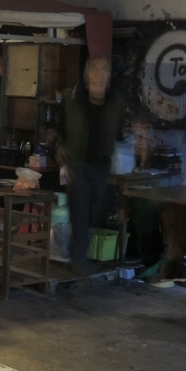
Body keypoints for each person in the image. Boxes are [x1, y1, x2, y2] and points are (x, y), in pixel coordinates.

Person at [57, 56, 125, 273]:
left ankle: (80, 257)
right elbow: (58, 132)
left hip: (101, 168)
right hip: (77, 167)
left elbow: (121, 134)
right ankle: (78, 262)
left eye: (104, 70)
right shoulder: (73, 102)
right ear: (87, 76)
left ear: (109, 76)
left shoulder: (116, 104)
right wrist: (61, 157)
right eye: (95, 69)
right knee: (80, 214)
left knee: (94, 215)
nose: (99, 74)